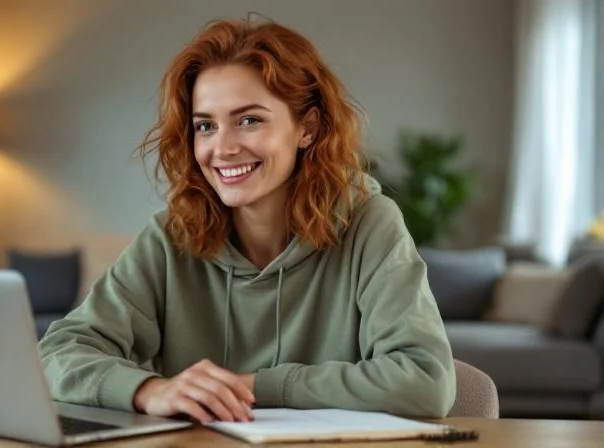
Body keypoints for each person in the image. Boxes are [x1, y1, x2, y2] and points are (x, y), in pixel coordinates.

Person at [38, 17, 456, 424]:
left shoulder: (370, 223)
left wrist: (253, 385)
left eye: (249, 120)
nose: (223, 148)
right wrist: (149, 390)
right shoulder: (171, 237)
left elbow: (424, 379)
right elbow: (57, 353)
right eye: (205, 126)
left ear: (307, 128)